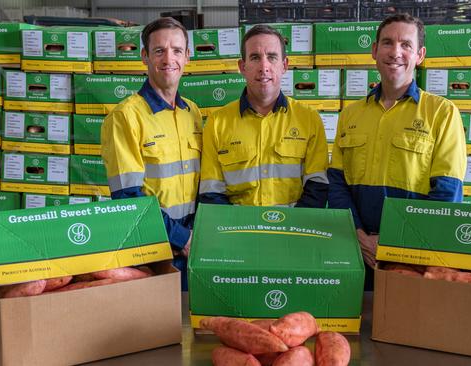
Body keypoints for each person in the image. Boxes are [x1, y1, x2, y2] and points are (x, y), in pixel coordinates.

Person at [328, 13, 466, 289]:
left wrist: (396, 245)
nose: (396, 52)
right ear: (374, 50)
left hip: (414, 260)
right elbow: (337, 185)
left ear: (420, 55)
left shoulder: (442, 113)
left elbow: (447, 195)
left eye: (406, 45)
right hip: (356, 252)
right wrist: (359, 237)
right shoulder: (350, 114)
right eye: (388, 43)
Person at [101, 17, 202, 290]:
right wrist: (183, 238)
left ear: (188, 57)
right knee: (159, 331)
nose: (169, 59)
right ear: (144, 56)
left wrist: (195, 237)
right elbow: (128, 199)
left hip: (192, 248)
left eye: (177, 50)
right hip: (153, 251)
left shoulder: (191, 113)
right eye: (159, 51)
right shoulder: (125, 117)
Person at [199, 25, 328, 208]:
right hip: (240, 233)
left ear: (284, 65)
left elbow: (317, 186)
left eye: (272, 57)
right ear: (242, 67)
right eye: (255, 57)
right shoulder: (217, 123)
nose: (264, 67)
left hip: (292, 232)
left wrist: (292, 229)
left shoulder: (309, 119)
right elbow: (211, 191)